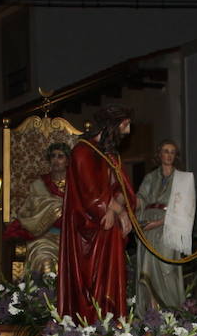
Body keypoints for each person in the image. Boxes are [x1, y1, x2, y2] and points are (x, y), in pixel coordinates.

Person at [59, 105, 136, 323]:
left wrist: (119, 209)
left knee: (110, 282)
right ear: (112, 125)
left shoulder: (110, 155)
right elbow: (90, 194)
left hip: (108, 231)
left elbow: (121, 188)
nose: (127, 132)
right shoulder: (82, 151)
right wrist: (113, 210)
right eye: (125, 125)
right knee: (90, 285)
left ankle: (111, 323)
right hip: (88, 230)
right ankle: (90, 326)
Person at [132, 139, 190, 312]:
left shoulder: (182, 179)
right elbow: (141, 198)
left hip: (169, 226)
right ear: (159, 154)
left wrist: (158, 222)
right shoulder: (150, 177)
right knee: (147, 268)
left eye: (172, 152)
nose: (169, 155)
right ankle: (151, 312)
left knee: (167, 269)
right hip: (148, 226)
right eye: (165, 151)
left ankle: (171, 311)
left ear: (176, 156)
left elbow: (184, 208)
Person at [8, 142, 69, 275]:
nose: (56, 160)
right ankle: (46, 295)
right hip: (45, 237)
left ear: (67, 161)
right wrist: (51, 212)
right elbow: (25, 213)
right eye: (53, 156)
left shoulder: (77, 184)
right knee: (45, 261)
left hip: (72, 238)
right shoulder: (38, 185)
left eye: (60, 156)